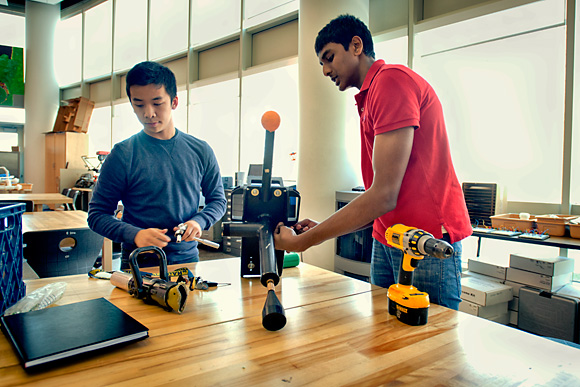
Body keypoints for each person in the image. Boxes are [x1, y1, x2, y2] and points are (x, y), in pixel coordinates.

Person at [274, 14, 471, 309]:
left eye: (329, 58)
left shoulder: (391, 82)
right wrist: (321, 227)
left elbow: (383, 195)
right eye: (321, 64)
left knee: (430, 346)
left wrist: (305, 241)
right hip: (388, 236)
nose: (326, 70)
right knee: (385, 339)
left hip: (426, 240)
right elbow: (378, 199)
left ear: (356, 45)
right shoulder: (369, 95)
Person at [88, 61, 227, 269]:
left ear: (174, 102)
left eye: (157, 103)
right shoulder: (123, 154)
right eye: (139, 104)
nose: (148, 113)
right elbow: (97, 215)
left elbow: (218, 201)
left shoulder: (201, 150)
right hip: (138, 264)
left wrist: (199, 221)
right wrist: (135, 234)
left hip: (186, 262)